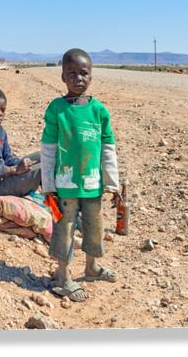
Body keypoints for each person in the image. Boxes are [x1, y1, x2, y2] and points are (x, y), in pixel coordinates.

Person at [41, 48, 121, 302]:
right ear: (63, 77)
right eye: (72, 73)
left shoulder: (99, 111)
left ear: (91, 76)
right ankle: (63, 276)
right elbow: (48, 150)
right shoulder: (57, 110)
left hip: (93, 184)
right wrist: (48, 184)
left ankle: (91, 268)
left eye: (83, 73)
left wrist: (113, 183)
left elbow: (107, 149)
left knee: (94, 227)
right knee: (64, 229)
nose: (78, 78)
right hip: (65, 187)